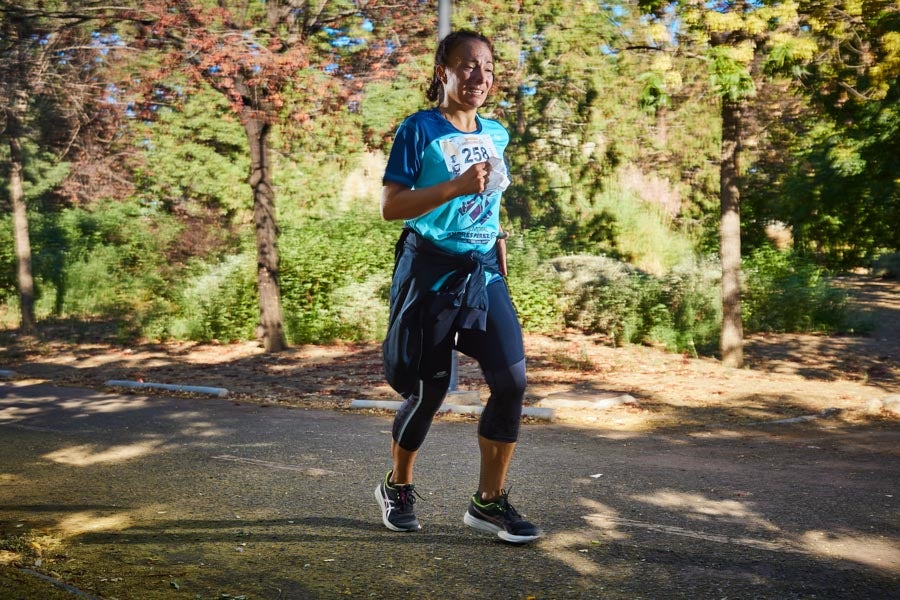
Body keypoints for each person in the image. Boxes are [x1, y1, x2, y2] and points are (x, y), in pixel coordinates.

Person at [374, 29, 540, 544]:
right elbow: (391, 207)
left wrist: (497, 237)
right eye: (468, 65)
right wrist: (455, 185)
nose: (479, 76)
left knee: (511, 382)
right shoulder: (419, 129)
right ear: (442, 71)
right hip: (432, 271)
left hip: (483, 269)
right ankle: (398, 486)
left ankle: (488, 502)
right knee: (430, 390)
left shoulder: (497, 134)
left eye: (487, 67)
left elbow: (489, 198)